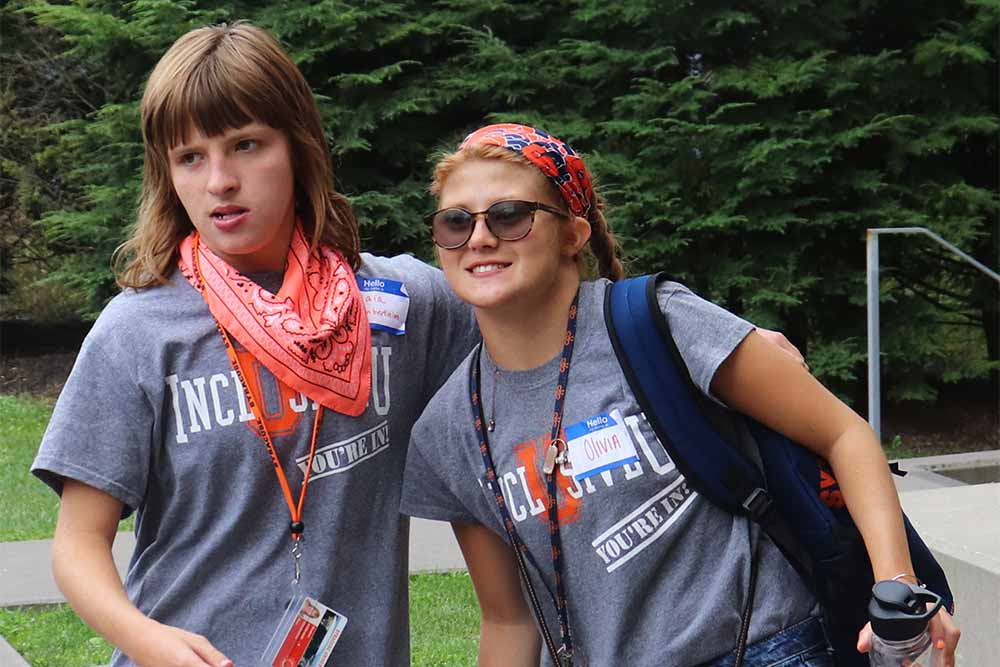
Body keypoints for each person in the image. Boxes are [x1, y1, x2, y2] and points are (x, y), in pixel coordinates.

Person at [399, 123, 961, 666]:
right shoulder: (449, 427)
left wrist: (896, 590)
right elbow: (508, 621)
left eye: (510, 215)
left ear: (573, 234)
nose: (479, 237)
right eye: (455, 222)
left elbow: (844, 433)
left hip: (767, 650)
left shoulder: (656, 322)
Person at [30, 21, 479, 667]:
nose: (219, 181)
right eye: (190, 156)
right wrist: (146, 639)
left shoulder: (406, 306)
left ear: (297, 148)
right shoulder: (137, 332)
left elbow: (538, 347)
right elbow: (76, 545)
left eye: (245, 145)